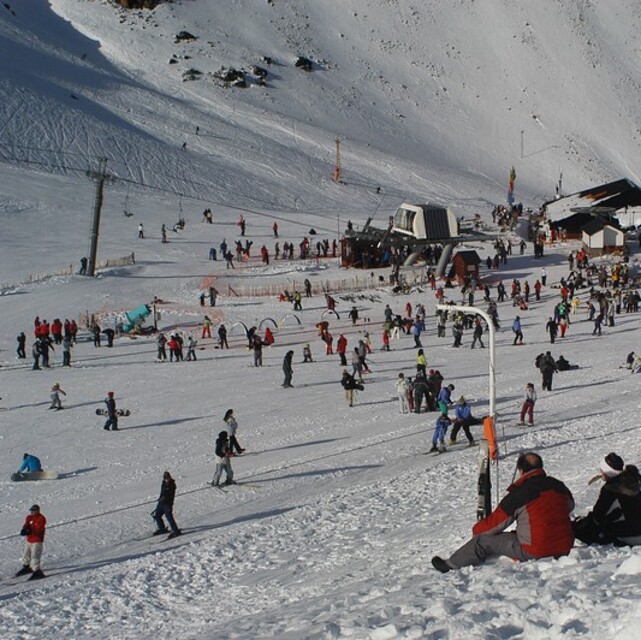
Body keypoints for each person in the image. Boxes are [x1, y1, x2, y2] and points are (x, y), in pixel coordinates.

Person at [432, 452, 575, 573]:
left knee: (481, 541)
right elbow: (570, 506)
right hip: (564, 545)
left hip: (536, 549)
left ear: (521, 471)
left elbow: (494, 524)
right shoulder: (559, 485)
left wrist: (476, 530)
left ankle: (451, 565)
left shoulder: (520, 493)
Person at [573, 453, 641, 546]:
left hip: (629, 535)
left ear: (607, 472)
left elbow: (597, 517)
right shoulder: (634, 481)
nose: (600, 472)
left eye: (602, 470)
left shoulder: (611, 489)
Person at [15, 504, 47, 580]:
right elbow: (26, 525)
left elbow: (39, 529)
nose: (32, 512)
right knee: (26, 554)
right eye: (31, 511)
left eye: (34, 511)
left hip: (37, 540)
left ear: (37, 511)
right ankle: (26, 567)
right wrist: (24, 530)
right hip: (29, 540)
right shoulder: (29, 517)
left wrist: (30, 531)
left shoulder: (41, 518)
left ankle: (37, 571)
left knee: (35, 556)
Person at [152, 472, 182, 538]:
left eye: (167, 478)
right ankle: (162, 528)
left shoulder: (172, 484)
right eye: (165, 478)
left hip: (168, 504)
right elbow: (162, 492)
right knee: (157, 515)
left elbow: (170, 494)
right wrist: (160, 499)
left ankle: (175, 530)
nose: (166, 479)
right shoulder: (163, 483)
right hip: (161, 503)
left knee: (169, 517)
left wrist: (164, 498)